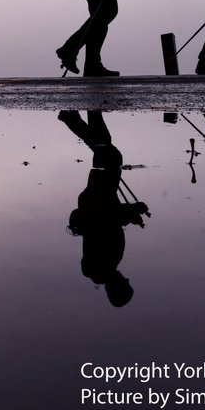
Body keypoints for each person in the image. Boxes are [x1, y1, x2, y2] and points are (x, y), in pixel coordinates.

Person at [59, 110, 149, 307]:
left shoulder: (106, 263)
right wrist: (131, 215)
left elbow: (107, 221)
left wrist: (134, 209)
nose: (126, 279)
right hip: (97, 197)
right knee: (104, 149)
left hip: (100, 196)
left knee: (109, 153)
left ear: (116, 287)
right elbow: (111, 221)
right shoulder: (102, 266)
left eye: (125, 284)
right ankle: (81, 115)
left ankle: (78, 115)